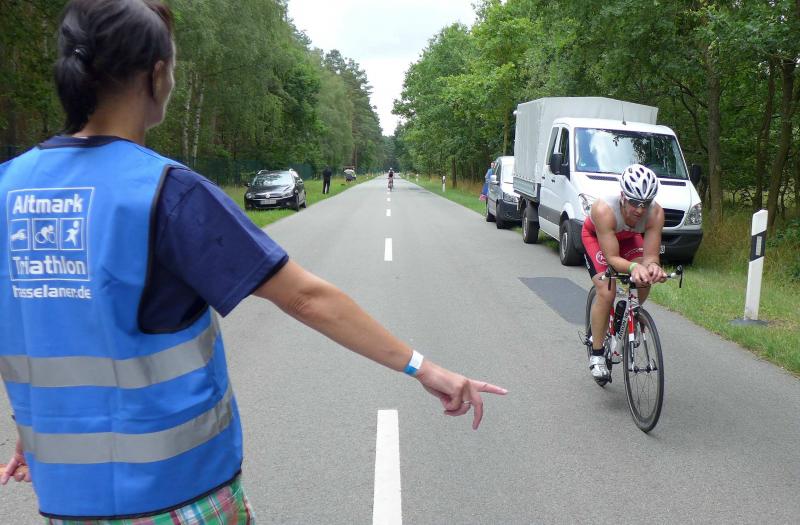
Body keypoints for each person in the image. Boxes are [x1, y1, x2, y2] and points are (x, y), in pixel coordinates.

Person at [0, 1, 507, 522]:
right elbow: (304, 297)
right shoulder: (165, 192)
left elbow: (42, 330)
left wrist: (33, 432)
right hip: (174, 495)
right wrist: (424, 368)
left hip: (64, 497)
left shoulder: (9, 187)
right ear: (156, 75)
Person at [581, 164, 668, 380]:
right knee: (606, 291)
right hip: (597, 238)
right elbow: (612, 258)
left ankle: (630, 314)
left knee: (644, 278)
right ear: (622, 196)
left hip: (628, 238)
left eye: (646, 203)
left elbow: (651, 256)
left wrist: (653, 267)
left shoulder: (656, 213)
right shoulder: (604, 209)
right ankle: (597, 354)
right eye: (634, 202)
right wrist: (633, 267)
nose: (640, 210)